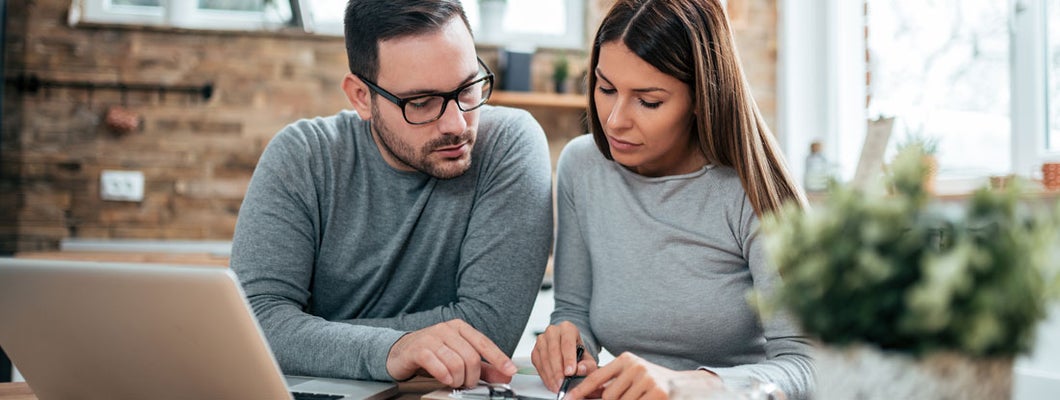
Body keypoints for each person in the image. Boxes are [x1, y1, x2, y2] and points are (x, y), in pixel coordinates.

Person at [229, 0, 554, 389]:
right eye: (421, 103)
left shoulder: (509, 145)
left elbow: (486, 334)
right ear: (361, 97)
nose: (457, 123)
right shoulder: (304, 157)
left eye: (468, 88)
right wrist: (393, 348)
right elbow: (254, 324)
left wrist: (308, 335)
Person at [530, 0, 814, 399]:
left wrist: (685, 385)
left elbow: (809, 365)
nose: (614, 120)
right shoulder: (583, 167)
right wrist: (569, 346)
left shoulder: (751, 192)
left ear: (702, 97)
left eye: (648, 101)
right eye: (605, 88)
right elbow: (574, 312)